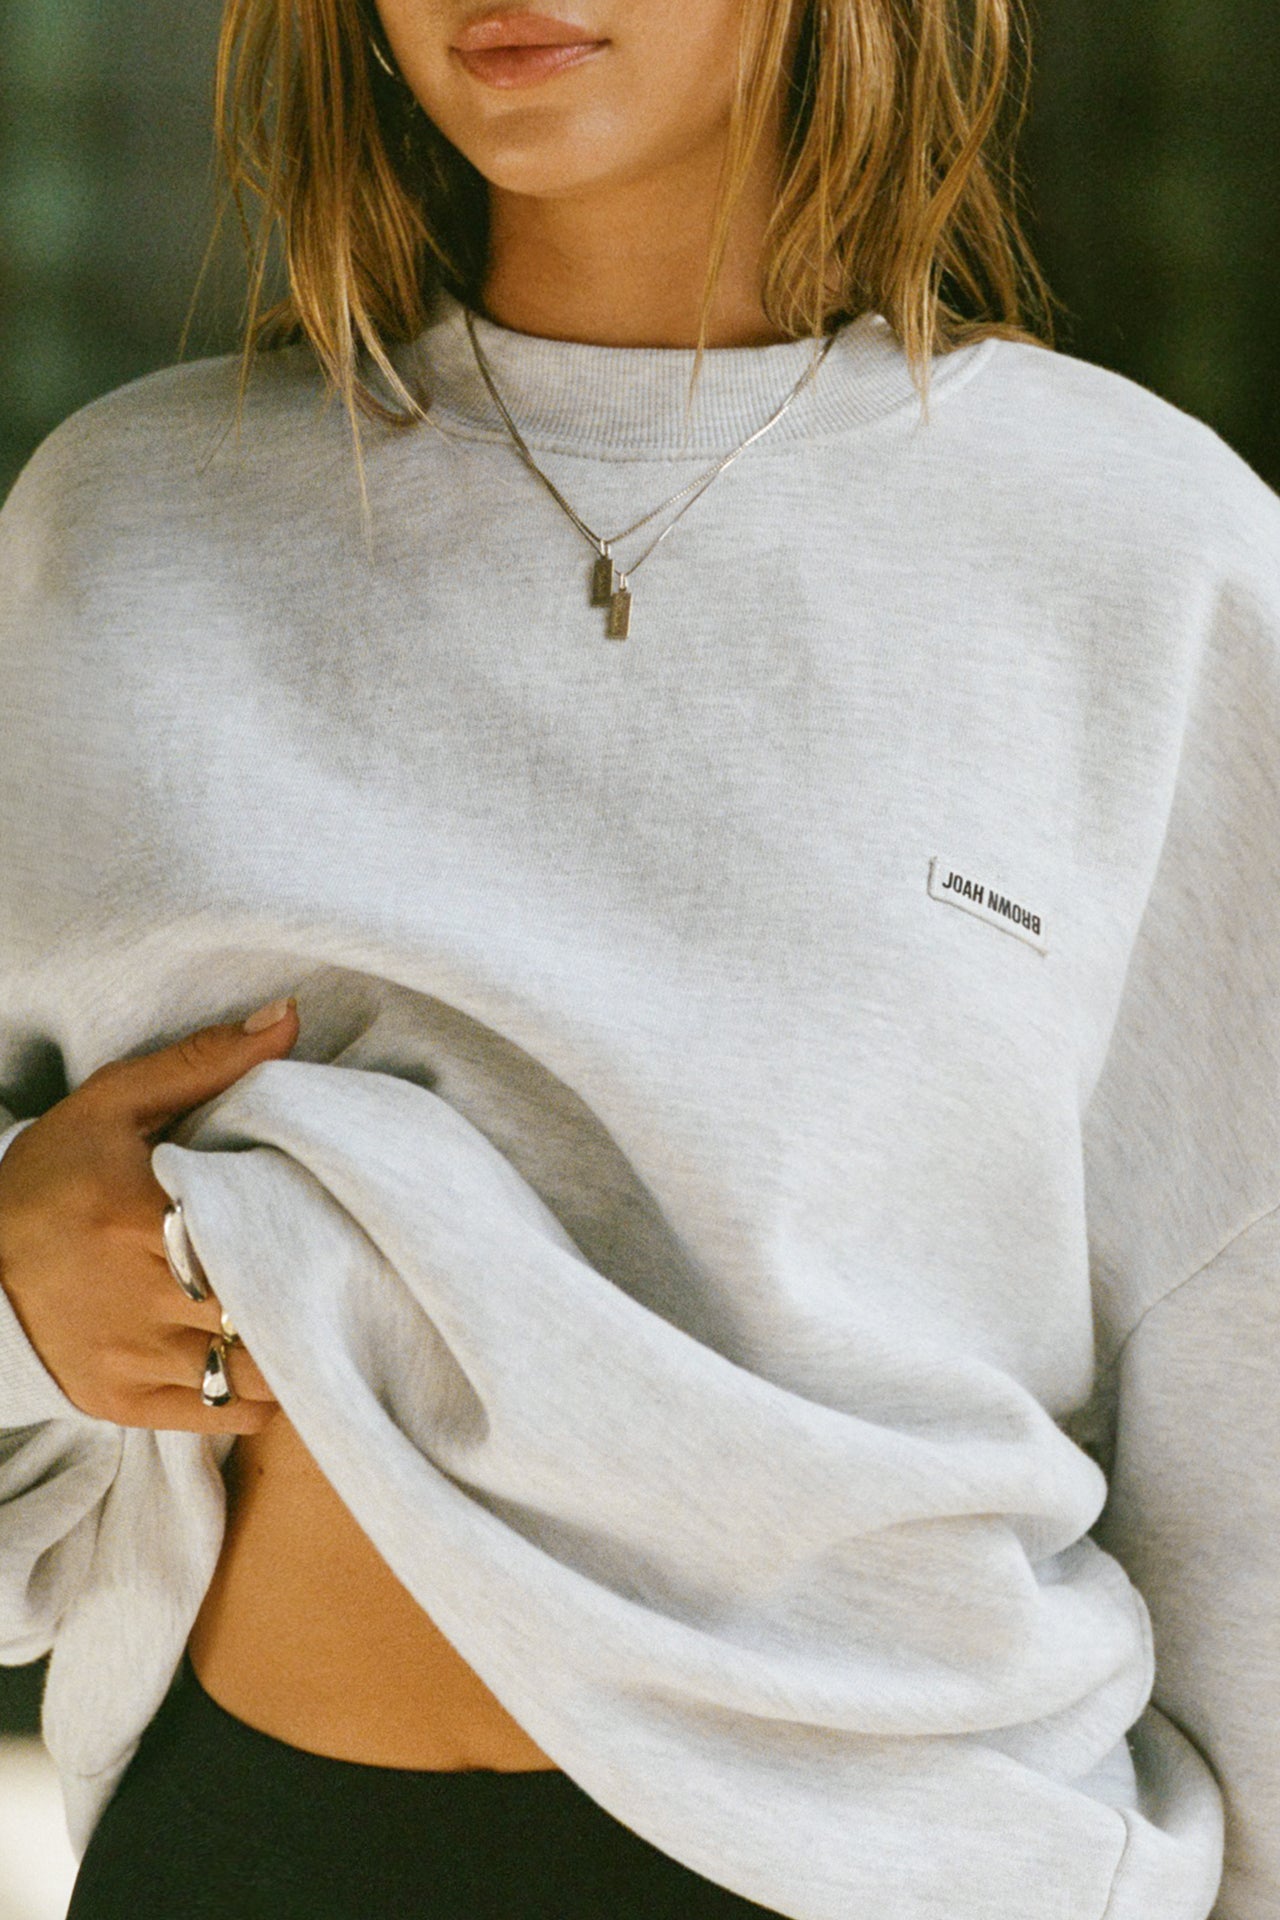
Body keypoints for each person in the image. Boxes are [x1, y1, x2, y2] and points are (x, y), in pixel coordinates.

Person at [0, 0, 1276, 1911]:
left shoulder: (1143, 556)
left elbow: (1246, 1369)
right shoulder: (121, 528)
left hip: (911, 1867)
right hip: (249, 1846)